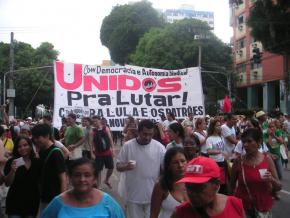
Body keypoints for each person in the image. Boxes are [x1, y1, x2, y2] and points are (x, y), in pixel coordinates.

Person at [41, 158, 125, 218]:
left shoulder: (107, 202)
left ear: (95, 179)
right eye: (77, 175)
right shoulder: (59, 202)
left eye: (87, 175)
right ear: (70, 178)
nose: (82, 179)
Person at [116, 119, 166, 218]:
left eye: (150, 134)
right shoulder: (128, 146)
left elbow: (164, 171)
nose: (147, 137)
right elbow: (118, 166)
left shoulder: (159, 148)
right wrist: (126, 166)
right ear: (138, 132)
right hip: (133, 196)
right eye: (144, 134)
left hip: (153, 196)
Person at [231, 128, 281, 217]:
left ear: (258, 142)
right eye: (244, 142)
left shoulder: (267, 159)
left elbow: (278, 186)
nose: (245, 145)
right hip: (243, 208)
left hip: (263, 208)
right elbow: (231, 185)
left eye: (249, 141)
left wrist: (272, 179)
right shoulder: (238, 161)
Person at [171, 156, 244, 218]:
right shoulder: (181, 213)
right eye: (188, 187)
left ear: (216, 184)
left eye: (198, 187)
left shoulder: (235, 205)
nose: (191, 193)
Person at [31, 123, 67, 213]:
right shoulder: (42, 150)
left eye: (38, 138)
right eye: (34, 138)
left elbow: (63, 179)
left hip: (53, 198)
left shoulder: (56, 152)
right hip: (43, 196)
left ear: (47, 136)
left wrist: (61, 201)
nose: (35, 140)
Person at [4, 136, 41, 218]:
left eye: (25, 145)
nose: (22, 148)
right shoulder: (12, 162)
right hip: (15, 203)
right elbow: (7, 183)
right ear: (16, 149)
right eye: (19, 146)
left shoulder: (37, 162)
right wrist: (12, 171)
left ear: (30, 146)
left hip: (32, 203)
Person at [150, 147, 188, 218]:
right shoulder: (161, 185)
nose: (180, 165)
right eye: (175, 162)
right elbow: (153, 215)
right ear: (169, 165)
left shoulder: (193, 184)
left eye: (183, 161)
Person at [206, 119, 229, 194]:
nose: (220, 127)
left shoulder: (220, 137)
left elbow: (222, 149)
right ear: (213, 127)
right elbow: (209, 151)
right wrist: (220, 152)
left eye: (220, 125)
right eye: (217, 125)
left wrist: (225, 155)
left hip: (222, 162)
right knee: (217, 182)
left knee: (223, 182)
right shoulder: (209, 139)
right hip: (215, 163)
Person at [91, 115, 114, 188]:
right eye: (93, 121)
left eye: (96, 121)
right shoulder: (93, 130)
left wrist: (112, 149)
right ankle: (98, 185)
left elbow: (110, 139)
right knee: (98, 170)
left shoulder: (105, 128)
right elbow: (91, 142)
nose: (94, 123)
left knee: (111, 167)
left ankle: (106, 180)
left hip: (107, 152)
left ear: (99, 120)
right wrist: (92, 153)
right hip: (98, 153)